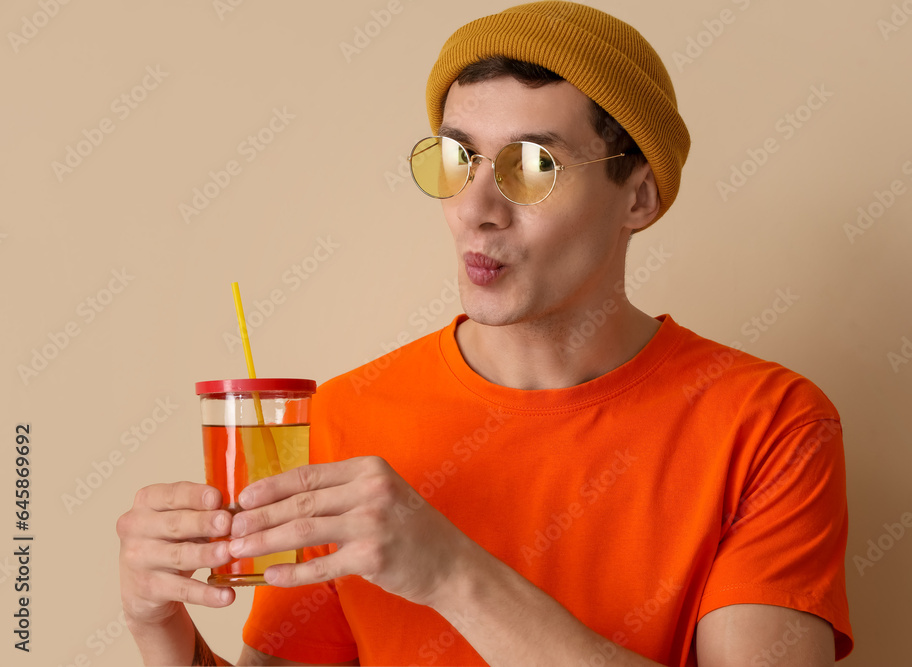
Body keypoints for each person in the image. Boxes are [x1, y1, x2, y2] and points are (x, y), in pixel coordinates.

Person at [116, 2, 853, 665]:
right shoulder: (346, 418)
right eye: (458, 158)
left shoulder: (771, 425)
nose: (477, 207)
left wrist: (452, 573)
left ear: (639, 195)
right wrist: (162, 632)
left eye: (534, 165)